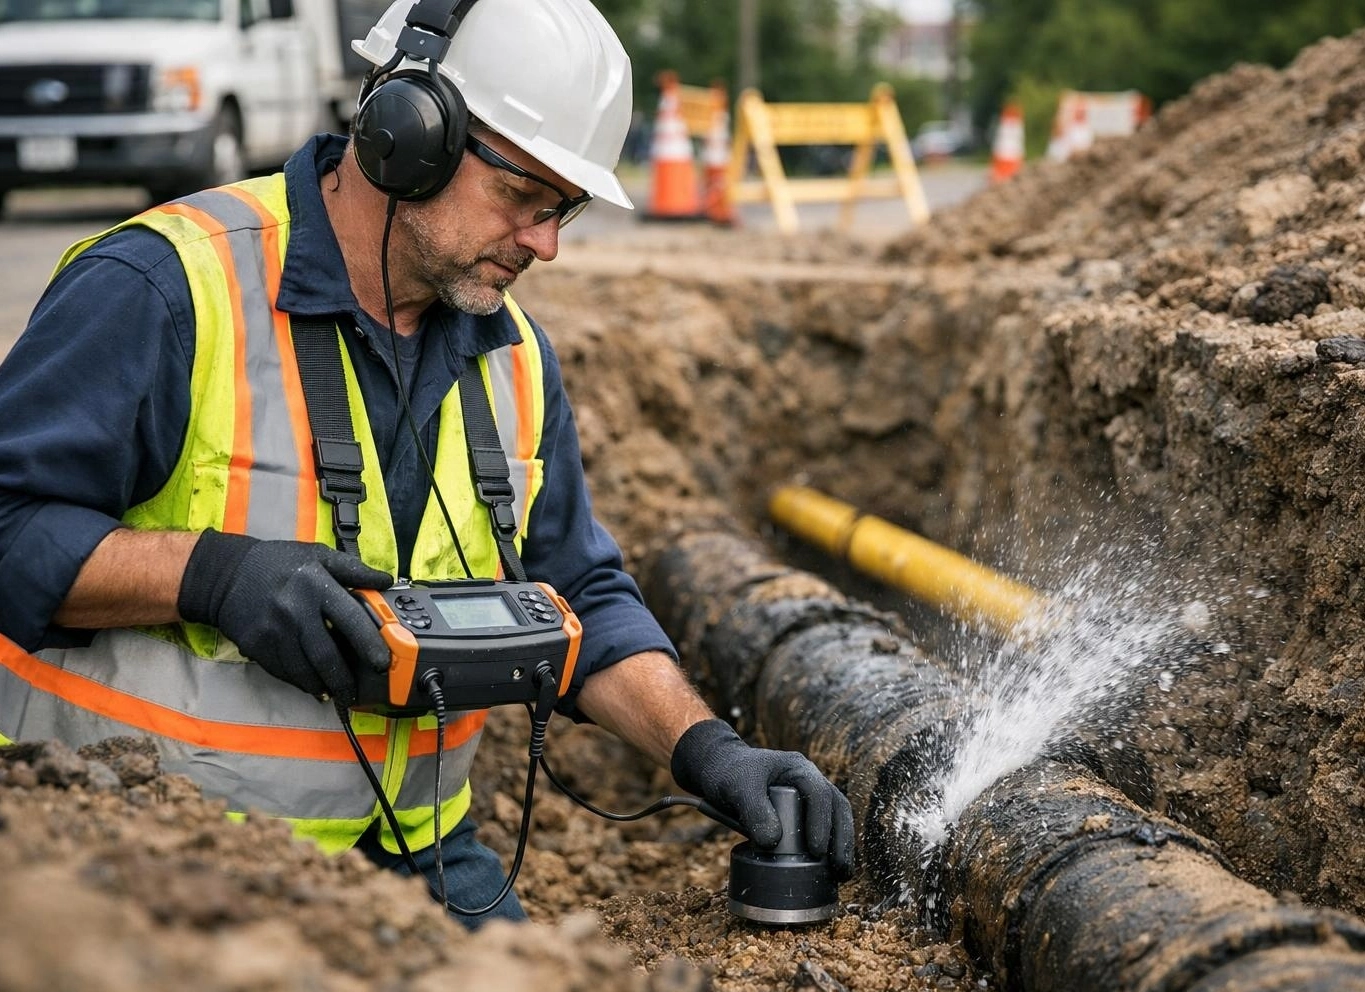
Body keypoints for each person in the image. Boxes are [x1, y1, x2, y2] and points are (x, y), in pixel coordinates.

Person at [0, 0, 854, 927]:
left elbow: (578, 592)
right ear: (409, 134)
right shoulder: (164, 290)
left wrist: (709, 751)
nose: (547, 243)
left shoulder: (513, 355)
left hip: (419, 859)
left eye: (562, 210)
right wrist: (208, 575)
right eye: (524, 198)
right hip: (150, 860)